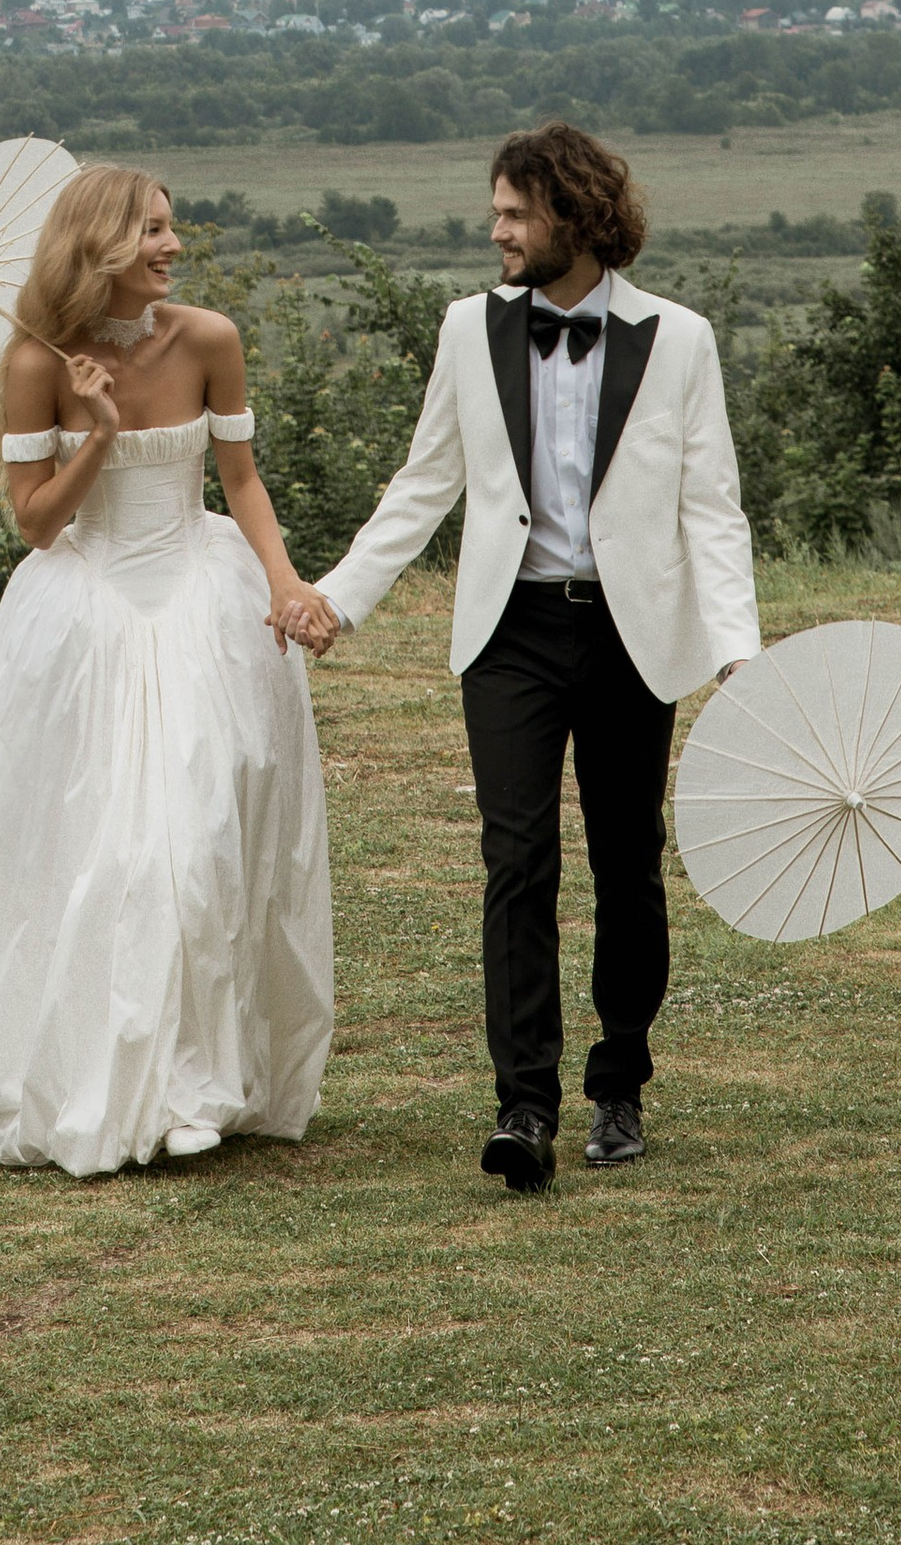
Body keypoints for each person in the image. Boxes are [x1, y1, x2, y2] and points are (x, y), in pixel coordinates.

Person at [280, 121, 759, 1193]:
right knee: (518, 861)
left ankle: (620, 1081)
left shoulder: (679, 339)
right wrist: (338, 600)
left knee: (628, 859)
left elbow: (712, 509)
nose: (495, 231)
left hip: (633, 634)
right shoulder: (468, 328)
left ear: (574, 217)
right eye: (495, 211)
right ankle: (524, 1106)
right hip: (510, 633)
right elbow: (425, 482)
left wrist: (736, 651)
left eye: (513, 214)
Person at [0, 161, 335, 1176]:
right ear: (95, 244)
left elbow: (240, 478)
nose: (172, 245)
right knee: (108, 850)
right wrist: (97, 435)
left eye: (169, 226)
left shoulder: (209, 339)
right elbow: (36, 523)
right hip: (88, 614)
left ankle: (197, 1083)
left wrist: (285, 582)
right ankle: (107, 1072)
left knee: (203, 841)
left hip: (202, 605)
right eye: (150, 230)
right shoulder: (33, 362)